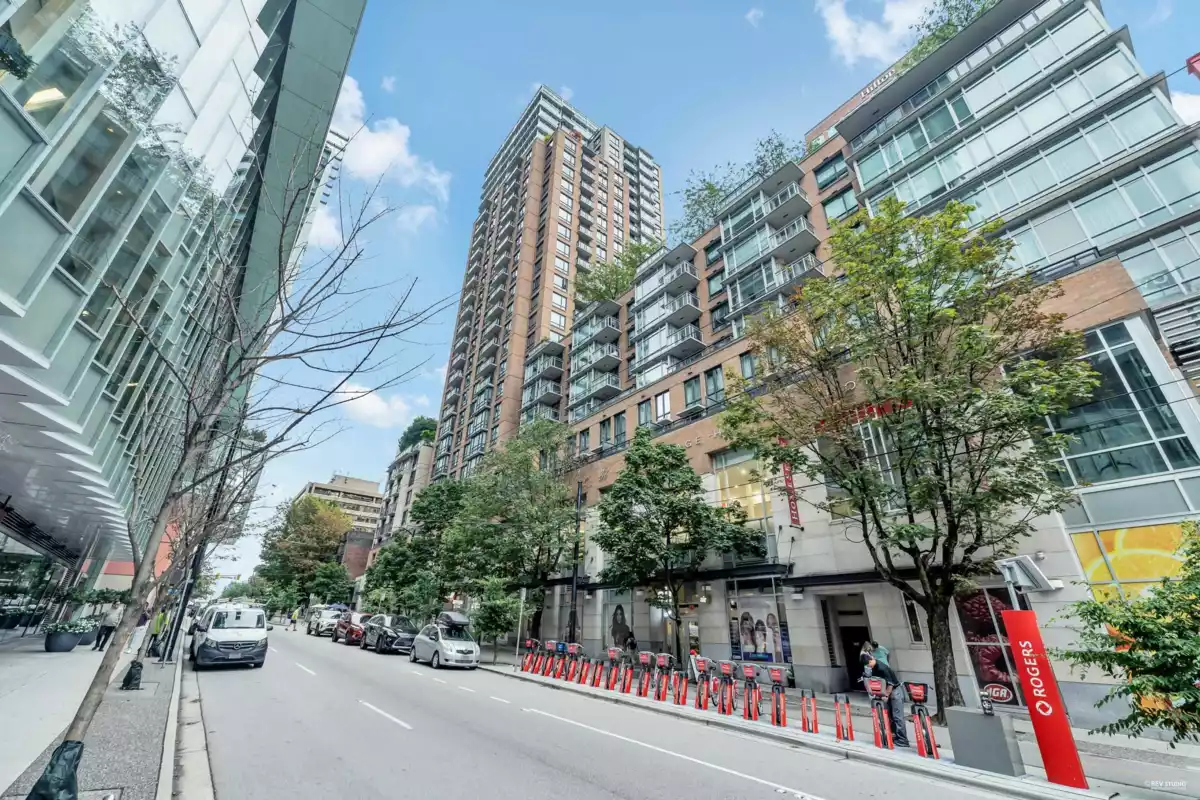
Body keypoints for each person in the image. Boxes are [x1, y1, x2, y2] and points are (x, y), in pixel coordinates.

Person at [864, 654, 909, 747]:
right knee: (889, 716)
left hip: (895, 692)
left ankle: (902, 740)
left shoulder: (882, 667)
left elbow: (891, 683)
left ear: (872, 659)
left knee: (898, 716)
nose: (869, 665)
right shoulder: (874, 668)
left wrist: (886, 695)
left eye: (869, 663)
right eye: (867, 665)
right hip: (887, 692)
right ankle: (893, 735)